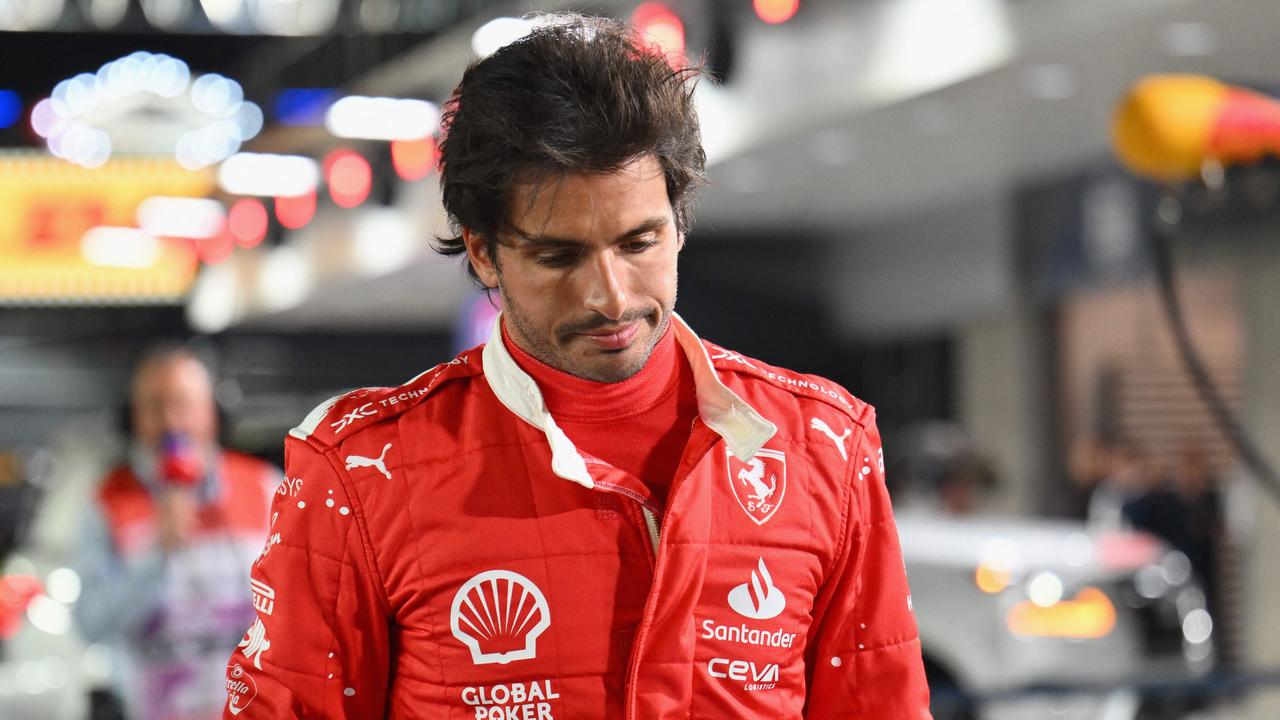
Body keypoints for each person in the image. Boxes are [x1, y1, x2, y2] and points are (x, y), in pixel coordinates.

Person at [225, 13, 929, 719]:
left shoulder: (824, 446)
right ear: (481, 250)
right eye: (558, 256)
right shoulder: (361, 470)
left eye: (639, 242)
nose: (611, 295)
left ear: (679, 220)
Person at [73, 345, 280, 720]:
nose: (170, 423)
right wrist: (156, 556)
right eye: (154, 406)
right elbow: (90, 624)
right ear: (131, 418)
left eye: (182, 404)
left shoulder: (264, 487)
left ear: (214, 413)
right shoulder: (108, 502)